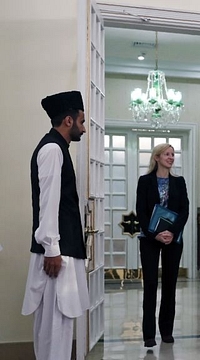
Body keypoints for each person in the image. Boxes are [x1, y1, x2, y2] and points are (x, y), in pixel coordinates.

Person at [22, 90, 90, 360]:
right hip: (56, 253)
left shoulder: (57, 148)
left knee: (60, 324)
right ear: (69, 121)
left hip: (61, 250)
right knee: (54, 325)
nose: (84, 129)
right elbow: (48, 201)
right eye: (82, 122)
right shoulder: (52, 149)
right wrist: (51, 248)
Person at [136, 143, 190, 348]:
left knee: (170, 284)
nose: (171, 157)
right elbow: (140, 211)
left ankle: (166, 330)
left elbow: (184, 210)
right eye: (167, 154)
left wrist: (171, 232)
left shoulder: (179, 182)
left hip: (173, 239)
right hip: (150, 239)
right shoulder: (145, 181)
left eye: (173, 154)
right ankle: (148, 334)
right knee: (150, 284)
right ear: (157, 157)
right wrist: (155, 234)